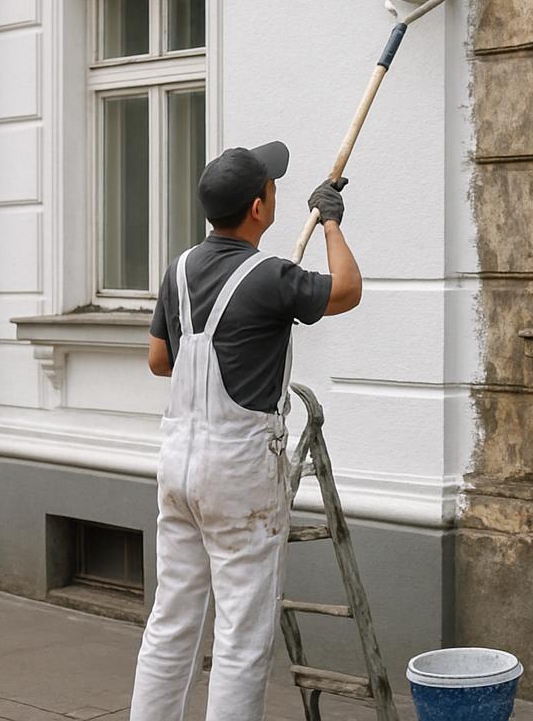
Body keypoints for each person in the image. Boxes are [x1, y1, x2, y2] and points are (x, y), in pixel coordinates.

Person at [130, 140, 361, 721]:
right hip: (239, 475)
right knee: (240, 635)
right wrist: (331, 222)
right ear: (259, 208)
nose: (276, 190)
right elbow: (347, 289)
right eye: (272, 185)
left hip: (178, 465)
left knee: (171, 622)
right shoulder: (271, 276)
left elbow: (161, 360)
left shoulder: (179, 270)